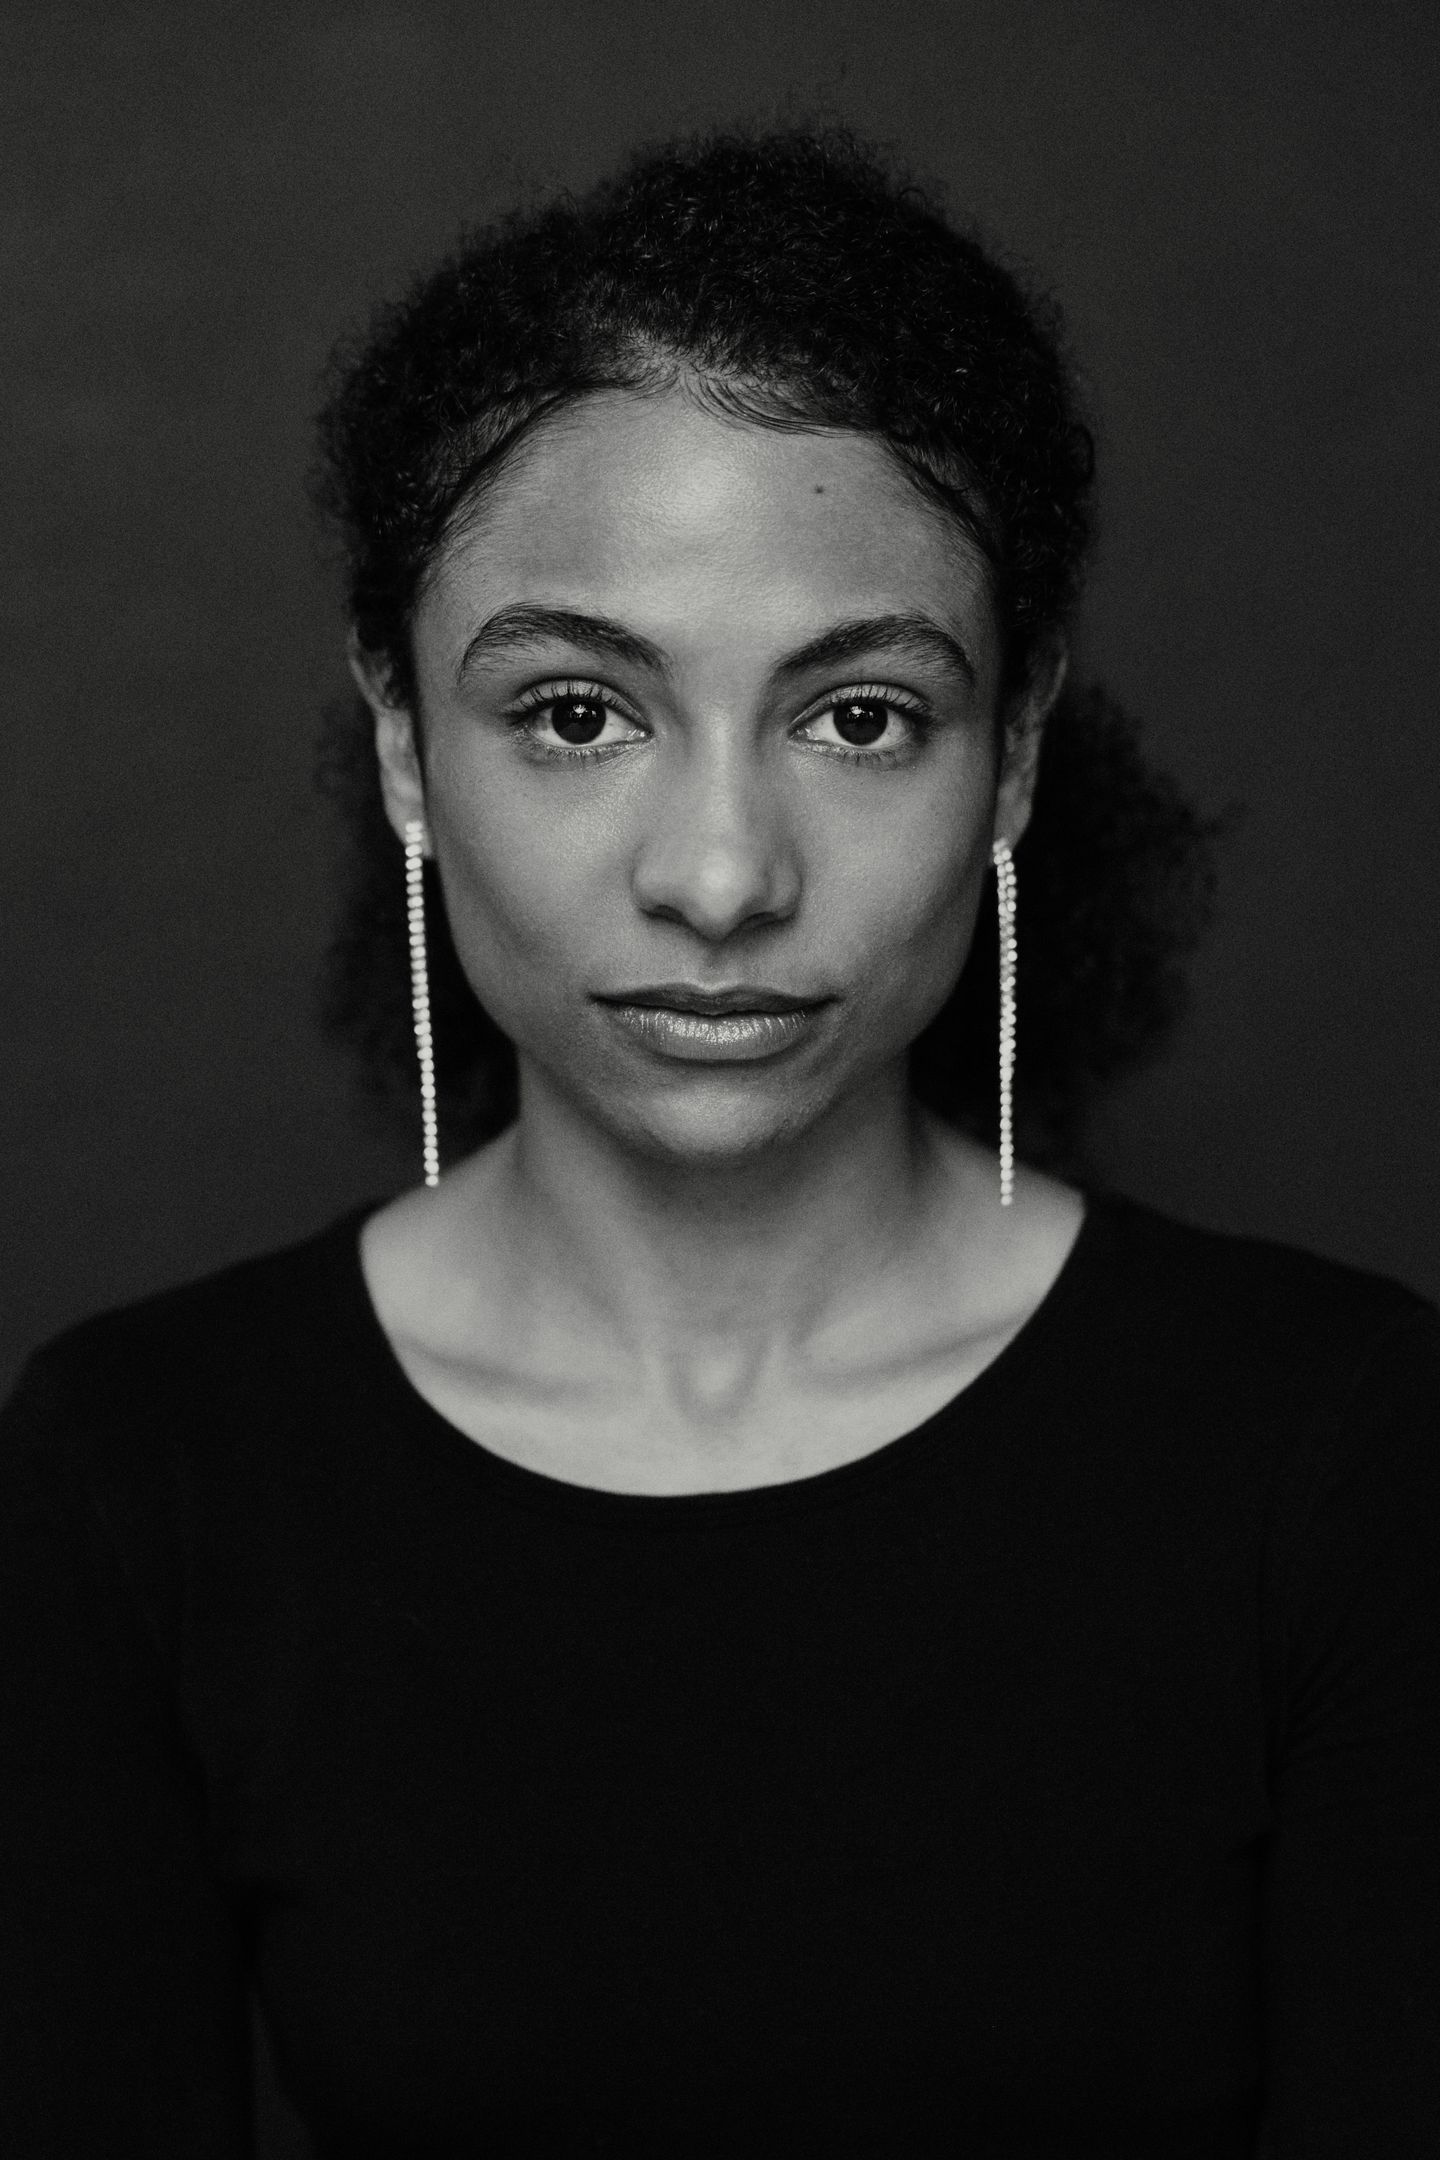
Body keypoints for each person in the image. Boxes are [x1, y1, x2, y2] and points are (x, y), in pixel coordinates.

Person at [2, 124, 1436, 2159]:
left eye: (859, 717)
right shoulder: (140, 1475)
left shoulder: (1346, 1455)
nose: (721, 873)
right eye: (579, 713)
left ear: (1014, 752)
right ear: (404, 741)